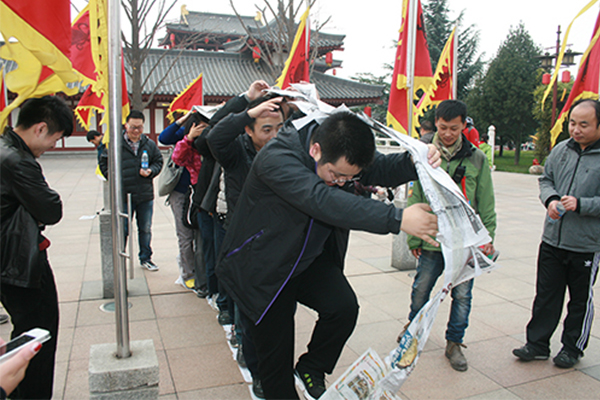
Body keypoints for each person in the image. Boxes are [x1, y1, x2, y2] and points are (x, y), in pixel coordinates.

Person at [216, 110, 441, 399]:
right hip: (265, 267)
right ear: (315, 150)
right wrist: (397, 219)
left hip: (305, 258)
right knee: (276, 368)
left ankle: (311, 366)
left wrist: (415, 161)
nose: (341, 182)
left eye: (350, 177)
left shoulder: (338, 150)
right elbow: (320, 199)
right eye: (335, 175)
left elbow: (377, 167)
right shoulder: (278, 157)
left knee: (343, 308)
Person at [405, 100, 496, 372]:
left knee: (463, 295)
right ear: (436, 124)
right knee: (421, 288)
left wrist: (487, 237)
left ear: (464, 126)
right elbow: (417, 195)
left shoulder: (476, 158)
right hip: (434, 238)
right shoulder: (425, 154)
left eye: (453, 128)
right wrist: (413, 238)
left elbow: (486, 201)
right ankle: (412, 333)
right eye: (442, 127)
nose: (446, 134)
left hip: (465, 242)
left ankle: (454, 342)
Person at [207, 93, 284, 399]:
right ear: (249, 130)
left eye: (279, 128)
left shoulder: (285, 152)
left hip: (275, 239)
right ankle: (256, 368)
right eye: (266, 129)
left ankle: (260, 357)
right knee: (249, 306)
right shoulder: (236, 153)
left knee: (270, 311)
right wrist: (247, 106)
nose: (274, 136)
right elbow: (214, 137)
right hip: (241, 239)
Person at [512, 99, 600, 368]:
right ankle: (537, 344)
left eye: (584, 124)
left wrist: (583, 204)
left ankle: (572, 348)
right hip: (552, 238)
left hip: (586, 244)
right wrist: (550, 199)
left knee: (579, 300)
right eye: (572, 123)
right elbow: (546, 179)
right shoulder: (561, 150)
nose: (576, 129)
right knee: (546, 295)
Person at [0, 95, 73, 399]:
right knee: (38, 335)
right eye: (55, 140)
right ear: (40, 128)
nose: (51, 148)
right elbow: (51, 209)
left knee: (26, 329)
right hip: (18, 262)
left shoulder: (6, 149)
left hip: (8, 258)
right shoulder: (17, 162)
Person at [99, 110, 163, 271]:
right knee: (124, 228)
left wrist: (151, 171)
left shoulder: (149, 144)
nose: (136, 131)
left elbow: (158, 161)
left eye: (140, 127)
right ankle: (120, 257)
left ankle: (146, 258)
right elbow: (103, 163)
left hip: (145, 194)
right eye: (133, 127)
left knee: (145, 228)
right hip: (123, 195)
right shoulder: (115, 143)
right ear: (126, 125)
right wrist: (114, 179)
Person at [159, 110, 208, 294]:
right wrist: (187, 127)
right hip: (181, 193)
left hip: (199, 194)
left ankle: (200, 272)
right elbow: (166, 140)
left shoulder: (209, 138)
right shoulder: (185, 135)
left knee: (200, 236)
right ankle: (188, 275)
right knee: (185, 235)